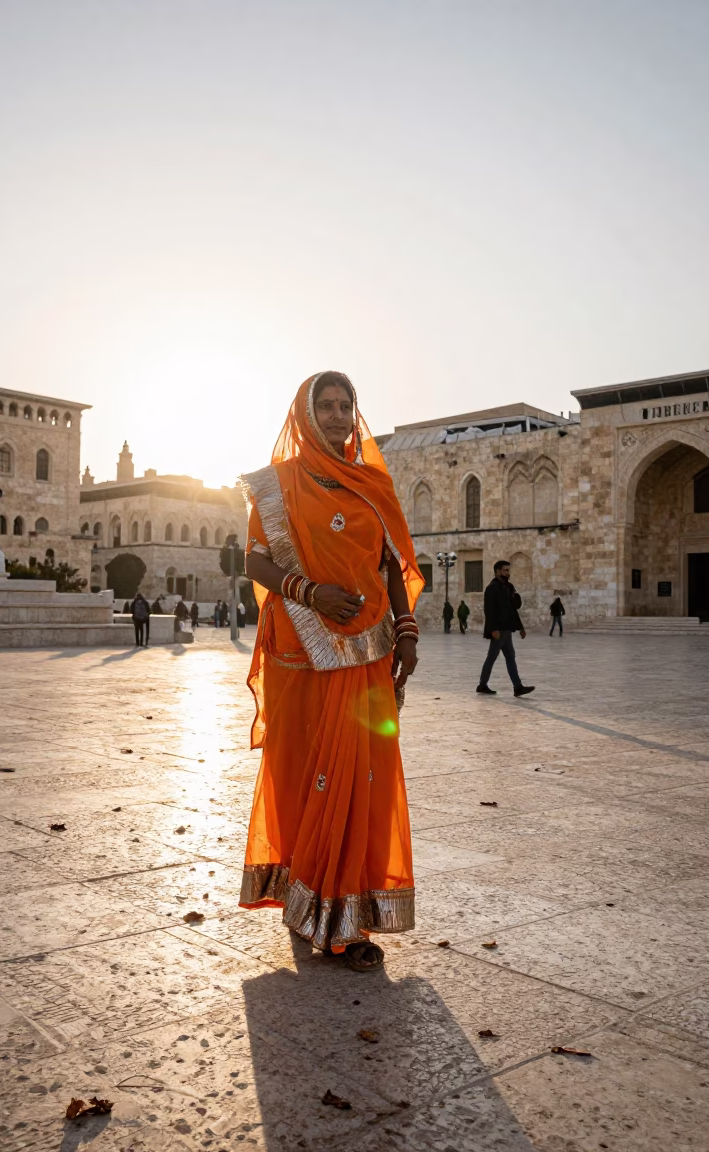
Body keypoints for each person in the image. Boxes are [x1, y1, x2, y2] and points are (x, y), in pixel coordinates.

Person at [240, 370, 424, 972]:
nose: (340, 415)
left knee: (360, 783)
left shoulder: (372, 483)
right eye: (327, 406)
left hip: (368, 655)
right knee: (305, 780)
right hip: (304, 656)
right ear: (305, 414)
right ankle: (312, 902)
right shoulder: (279, 486)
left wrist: (406, 629)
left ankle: (343, 917)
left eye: (347, 405)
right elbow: (256, 562)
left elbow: (390, 564)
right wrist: (311, 592)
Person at [477, 560, 534, 697]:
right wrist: (493, 629)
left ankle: (516, 687)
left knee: (508, 657)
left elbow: (512, 609)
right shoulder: (492, 588)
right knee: (494, 657)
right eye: (505, 570)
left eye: (508, 570)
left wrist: (520, 627)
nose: (508, 573)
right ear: (497, 571)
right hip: (499, 630)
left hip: (507, 629)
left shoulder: (509, 587)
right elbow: (489, 611)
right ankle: (485, 685)